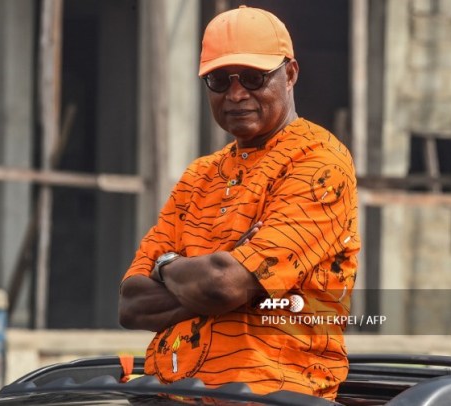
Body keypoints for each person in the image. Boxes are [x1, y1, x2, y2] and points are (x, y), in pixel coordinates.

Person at [119, 5, 360, 400]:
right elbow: (132, 305)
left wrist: (170, 268)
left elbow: (223, 284)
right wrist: (219, 276)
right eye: (219, 80)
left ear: (290, 74)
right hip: (173, 393)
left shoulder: (319, 162)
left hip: (274, 394)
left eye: (253, 78)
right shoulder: (200, 175)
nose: (235, 94)